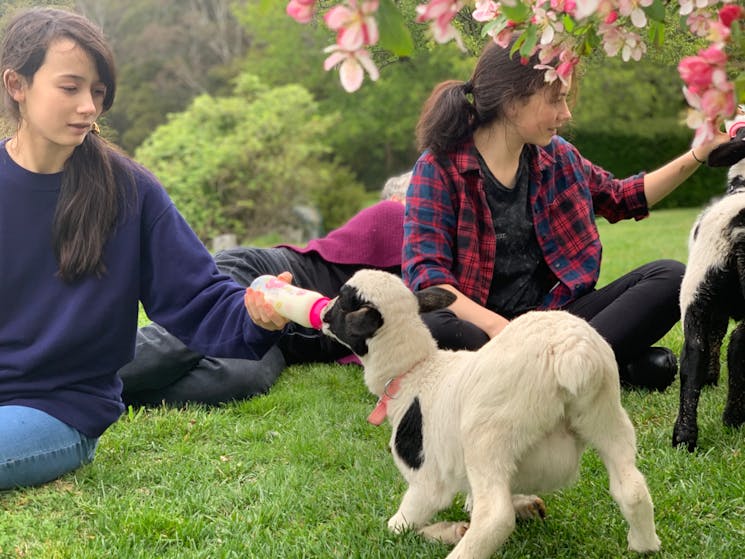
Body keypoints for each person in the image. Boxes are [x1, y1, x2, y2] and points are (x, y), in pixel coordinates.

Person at [0, 7, 290, 490]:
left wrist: (255, 315)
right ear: (17, 85)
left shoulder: (129, 192)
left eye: (97, 92)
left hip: (58, 407)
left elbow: (197, 296)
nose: (89, 107)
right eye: (70, 88)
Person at [403, 39, 730, 392]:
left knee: (670, 276)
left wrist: (699, 153)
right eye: (556, 99)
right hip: (484, 330)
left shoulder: (559, 158)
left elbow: (622, 198)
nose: (566, 114)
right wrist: (502, 330)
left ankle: (543, 379)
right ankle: (595, 370)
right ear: (513, 103)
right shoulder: (439, 168)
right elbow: (429, 280)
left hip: (558, 321)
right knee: (438, 327)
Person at [119, 173, 409, 407]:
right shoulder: (394, 216)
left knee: (240, 379)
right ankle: (76, 370)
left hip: (279, 335)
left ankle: (102, 395)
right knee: (186, 342)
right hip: (259, 276)